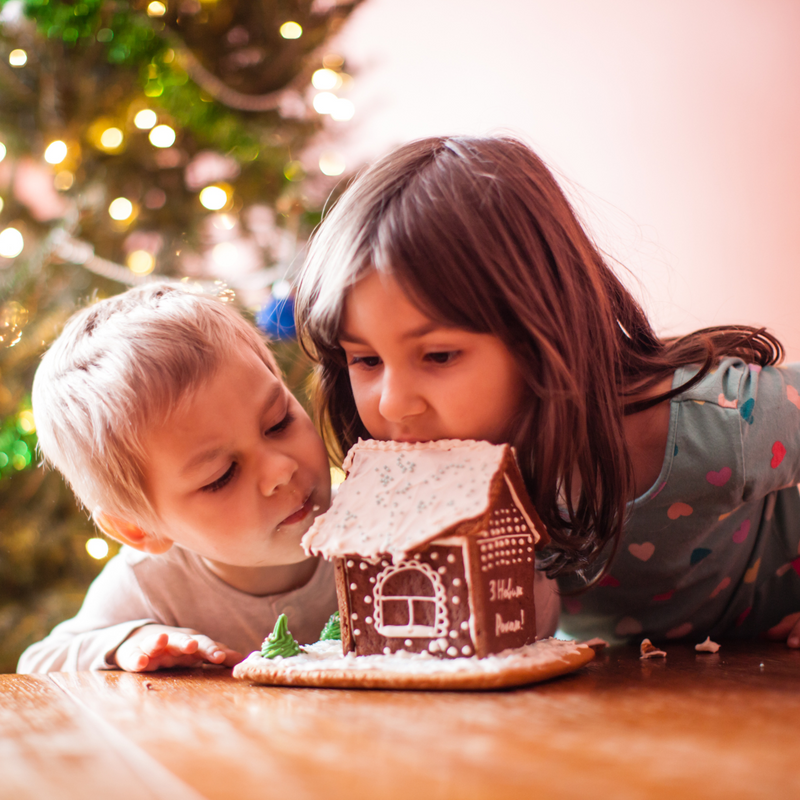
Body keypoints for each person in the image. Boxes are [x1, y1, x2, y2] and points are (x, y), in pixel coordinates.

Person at [294, 134, 800, 648]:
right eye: (366, 360)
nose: (393, 404)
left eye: (439, 356)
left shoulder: (714, 423)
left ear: (541, 332)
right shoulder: (433, 490)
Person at [17, 283, 336, 673]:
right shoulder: (150, 583)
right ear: (137, 527)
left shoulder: (381, 518)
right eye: (222, 476)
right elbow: (38, 664)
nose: (280, 470)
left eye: (278, 422)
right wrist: (127, 642)